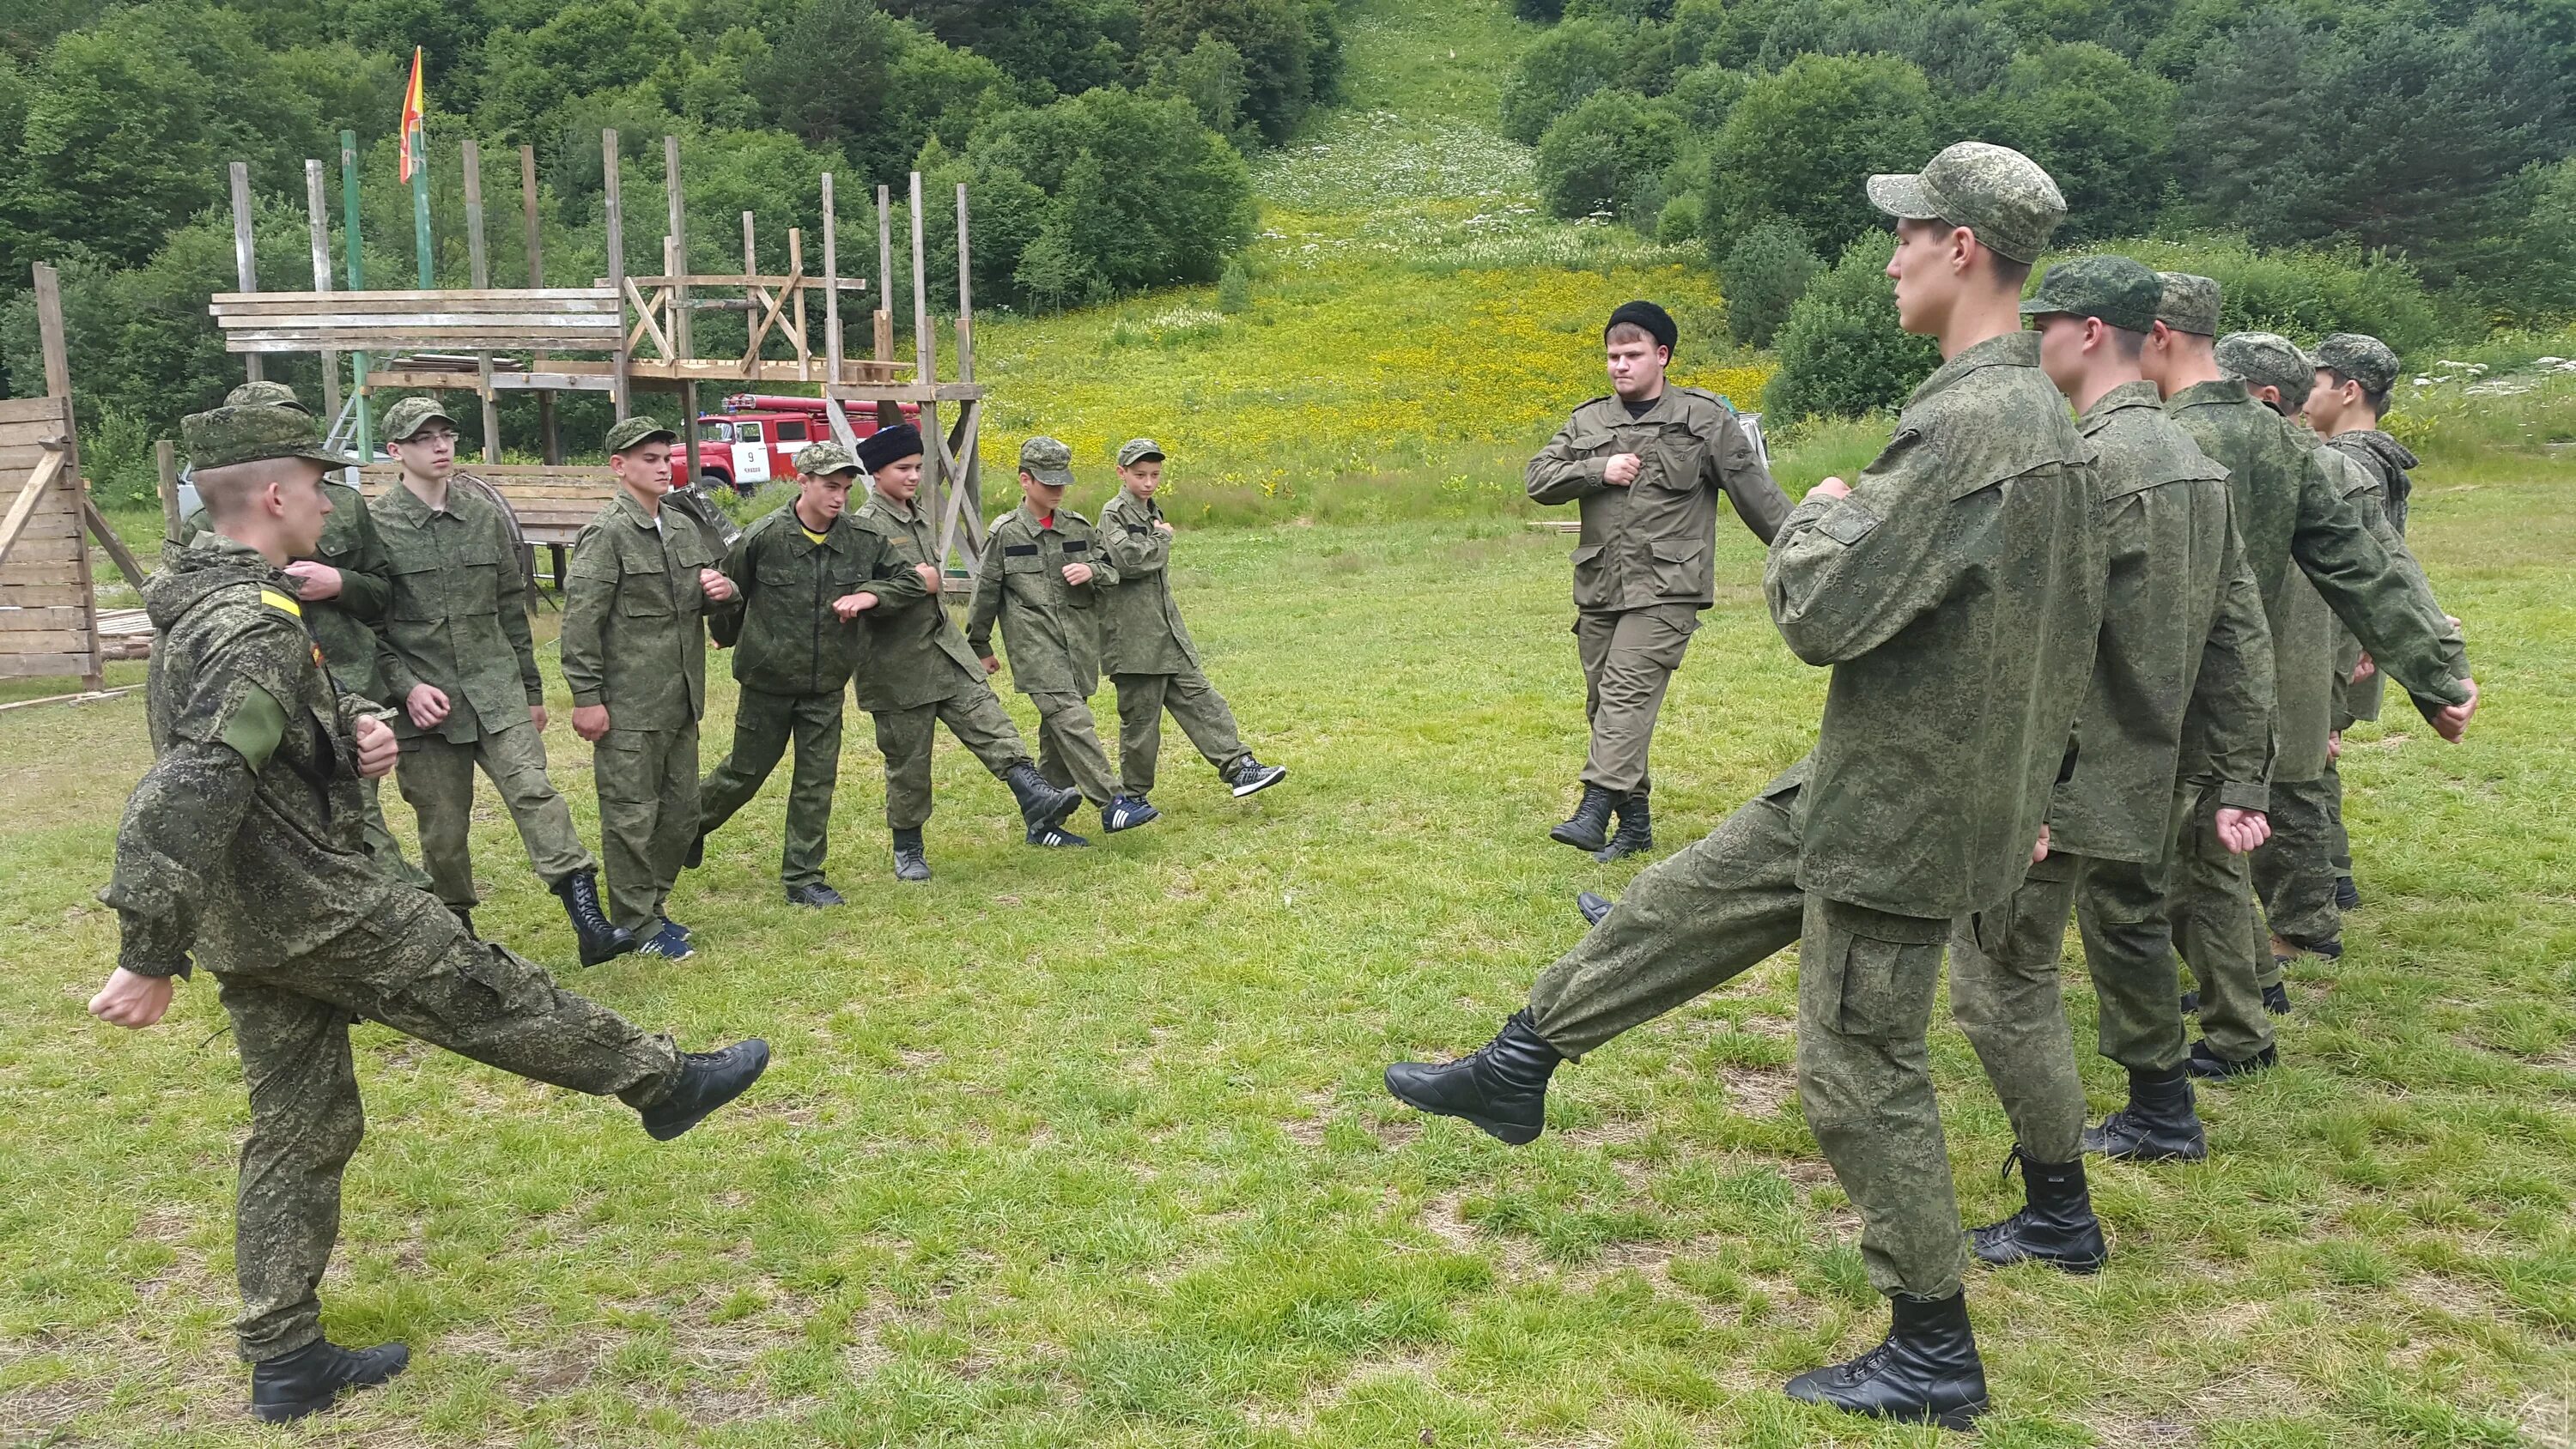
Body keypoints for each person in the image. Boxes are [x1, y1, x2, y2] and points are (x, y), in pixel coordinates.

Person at [1388, 142, 2102, 1428]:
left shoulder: (1976, 424)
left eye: (1907, 234)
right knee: (1682, 898)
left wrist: (1828, 508)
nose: (1889, 257)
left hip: (1910, 806)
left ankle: (1933, 1349)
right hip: (1885, 767)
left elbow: (1823, 607)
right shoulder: (2028, 413)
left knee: (1858, 1068)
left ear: (1962, 250)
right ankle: (1518, 1063)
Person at [92, 400, 769, 1424]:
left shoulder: (216, 606)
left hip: (252, 920)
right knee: (496, 992)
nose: (328, 502)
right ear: (274, 497)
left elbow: (261, 749)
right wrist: (146, 949)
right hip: (320, 906)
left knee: (300, 1128)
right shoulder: (252, 628)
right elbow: (186, 788)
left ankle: (285, 1355)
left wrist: (348, 736)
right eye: (317, 486)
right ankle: (662, 1080)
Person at [1941, 257, 2273, 1263]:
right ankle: (2163, 1112)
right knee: (2113, 932)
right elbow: (2240, 635)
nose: (2030, 343)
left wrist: (2025, 784)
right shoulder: (2195, 468)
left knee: (2002, 979)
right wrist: (2238, 778)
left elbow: (2047, 645)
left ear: (2090, 332)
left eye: (2042, 326)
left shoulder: (2087, 466)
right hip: (2144, 769)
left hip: (2069, 778)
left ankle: (2057, 1214)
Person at [2142, 294, 2474, 1082]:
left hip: (2181, 688)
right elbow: (2366, 562)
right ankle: (2249, 998)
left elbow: (2355, 558)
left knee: (2175, 863)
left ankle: (2234, 1027)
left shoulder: (2164, 438)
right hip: (2232, 684)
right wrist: (2435, 670)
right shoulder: (2281, 445)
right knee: (2208, 854)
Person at [1525, 300, 1792, 861]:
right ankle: (1637, 824)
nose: (1619, 366)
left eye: (1632, 354)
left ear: (1662, 356)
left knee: (1625, 691)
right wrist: (1597, 469)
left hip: (1669, 587)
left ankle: (1595, 806)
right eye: (1612, 357)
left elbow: (1758, 498)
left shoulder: (1703, 421)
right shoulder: (1589, 422)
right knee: (1607, 705)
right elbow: (1539, 479)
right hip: (1601, 586)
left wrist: (1811, 547)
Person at [368, 397, 629, 963]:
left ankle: (589, 919)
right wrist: (407, 687)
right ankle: (456, 932)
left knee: (536, 794)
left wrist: (532, 691)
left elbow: (513, 608)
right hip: (425, 705)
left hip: (496, 688)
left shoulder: (483, 515)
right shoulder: (375, 528)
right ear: (396, 452)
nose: (440, 446)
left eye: (446, 435)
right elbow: (367, 628)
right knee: (443, 826)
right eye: (423, 438)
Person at [176, 381, 430, 894]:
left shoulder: (344, 505)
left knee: (354, 819)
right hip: (274, 703)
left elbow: (383, 594)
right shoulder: (212, 533)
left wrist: (340, 584)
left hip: (343, 684)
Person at [693, 440, 934, 905]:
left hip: (827, 683)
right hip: (768, 679)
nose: (839, 497)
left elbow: (911, 580)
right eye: (829, 487)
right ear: (802, 482)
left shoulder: (862, 540)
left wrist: (870, 596)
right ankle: (690, 826)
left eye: (845, 488)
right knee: (744, 772)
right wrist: (725, 630)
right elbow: (729, 593)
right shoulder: (763, 536)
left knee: (816, 780)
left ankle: (804, 877)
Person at [845, 424, 1086, 873]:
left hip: (944, 649)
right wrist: (920, 583)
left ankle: (1036, 800)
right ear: (876, 474)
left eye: (918, 467)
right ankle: (908, 849)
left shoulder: (917, 516)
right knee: (909, 762)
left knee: (992, 725)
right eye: (903, 469)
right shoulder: (863, 526)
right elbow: (860, 596)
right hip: (896, 663)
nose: (914, 476)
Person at [561, 417, 743, 960]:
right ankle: (636, 923)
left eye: (667, 457)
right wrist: (588, 699)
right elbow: (580, 622)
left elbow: (708, 599)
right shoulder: (607, 534)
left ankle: (655, 906)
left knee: (682, 813)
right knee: (631, 815)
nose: (663, 466)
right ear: (619, 467)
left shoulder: (683, 527)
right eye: (649, 459)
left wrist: (724, 590)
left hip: (680, 698)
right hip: (629, 704)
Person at [968, 436, 1155, 844]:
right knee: (1073, 721)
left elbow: (1112, 574)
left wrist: (1092, 572)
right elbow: (985, 593)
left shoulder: (1078, 528)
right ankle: (1112, 803)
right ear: (1024, 480)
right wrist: (979, 646)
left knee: (1058, 735)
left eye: (1061, 482)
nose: (1056, 489)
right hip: (1035, 650)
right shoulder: (1006, 533)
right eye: (1047, 481)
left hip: (1079, 647)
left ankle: (1044, 822)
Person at [1096, 437, 1287, 807]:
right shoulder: (1114, 514)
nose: (1149, 482)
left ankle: (1239, 767)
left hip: (1166, 632)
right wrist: (1161, 538)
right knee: (1141, 723)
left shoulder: (1152, 508)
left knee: (1203, 700)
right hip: (1133, 640)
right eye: (1140, 475)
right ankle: (1132, 798)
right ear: (1121, 474)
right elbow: (1130, 562)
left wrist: (1156, 532)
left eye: (1154, 474)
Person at [2306, 333, 2416, 914]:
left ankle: (2324, 880)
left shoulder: (2348, 460)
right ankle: (2334, 876)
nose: (2306, 393)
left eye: (2317, 381)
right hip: (2358, 634)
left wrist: (2356, 645)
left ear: (2349, 390)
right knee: (2317, 755)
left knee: (2308, 758)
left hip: (2338, 637)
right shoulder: (2381, 454)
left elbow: (2351, 564)